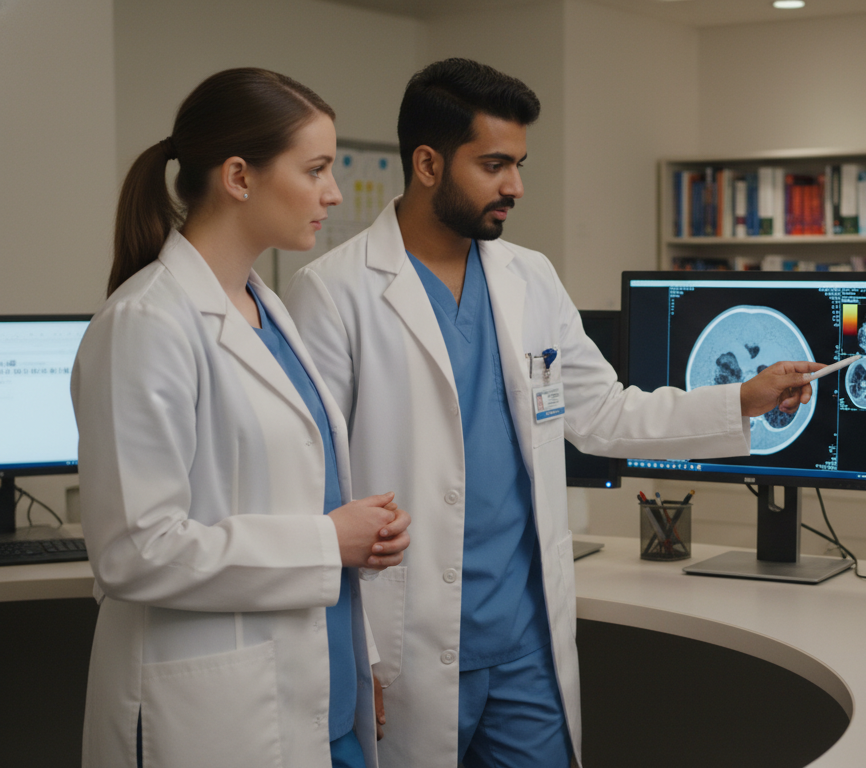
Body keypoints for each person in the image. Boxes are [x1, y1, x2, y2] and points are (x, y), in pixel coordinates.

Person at [284, 58, 822, 768]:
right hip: (403, 646)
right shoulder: (333, 294)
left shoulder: (528, 276)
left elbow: (602, 413)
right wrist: (352, 662)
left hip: (523, 646)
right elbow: (315, 495)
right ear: (426, 163)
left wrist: (740, 400)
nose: (516, 186)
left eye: (520, 164)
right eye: (495, 164)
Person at [74, 68, 411, 768]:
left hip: (319, 688)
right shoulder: (147, 322)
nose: (334, 193)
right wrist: (328, 541)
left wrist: (355, 572)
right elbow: (134, 551)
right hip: (216, 713)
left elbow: (285, 497)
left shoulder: (266, 308)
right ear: (238, 177)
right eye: (316, 169)